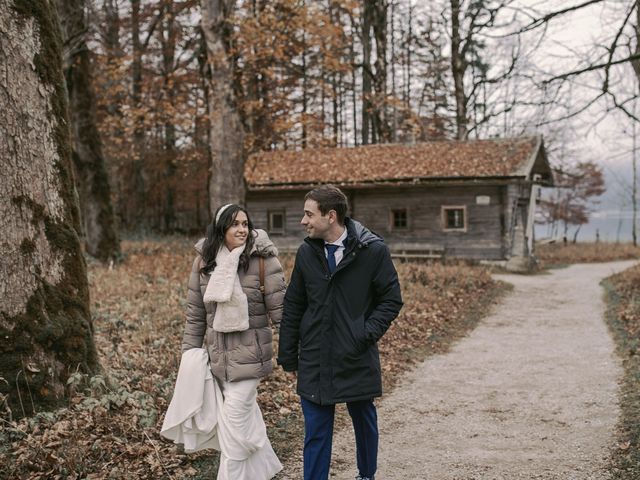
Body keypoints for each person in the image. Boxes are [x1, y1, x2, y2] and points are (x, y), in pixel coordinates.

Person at [277, 185, 403, 480]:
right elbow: (295, 303)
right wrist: (288, 355)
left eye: (309, 214)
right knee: (316, 432)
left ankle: (366, 475)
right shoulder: (307, 252)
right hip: (315, 354)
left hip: (355, 353)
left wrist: (364, 333)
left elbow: (391, 299)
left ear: (330, 216)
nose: (303, 221)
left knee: (364, 420)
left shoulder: (373, 251)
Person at [181, 204, 285, 480]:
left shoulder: (263, 261)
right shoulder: (204, 263)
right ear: (221, 229)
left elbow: (282, 313)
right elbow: (195, 315)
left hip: (251, 357)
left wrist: (297, 351)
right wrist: (189, 356)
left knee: (233, 426)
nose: (242, 229)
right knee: (243, 422)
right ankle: (265, 470)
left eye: (245, 224)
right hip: (219, 361)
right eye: (234, 224)